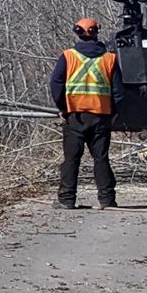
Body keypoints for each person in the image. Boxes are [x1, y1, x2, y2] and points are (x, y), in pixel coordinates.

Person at [50, 17, 120, 210]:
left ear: (77, 32)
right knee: (101, 158)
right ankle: (107, 199)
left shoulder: (68, 56)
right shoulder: (110, 59)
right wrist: (113, 113)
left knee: (72, 159)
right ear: (97, 31)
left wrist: (62, 108)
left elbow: (56, 84)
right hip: (101, 117)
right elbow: (118, 93)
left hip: (74, 116)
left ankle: (66, 199)